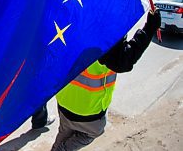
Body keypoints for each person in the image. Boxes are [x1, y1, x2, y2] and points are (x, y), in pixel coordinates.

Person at [51, 10, 161, 151]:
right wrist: (149, 28)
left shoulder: (68, 21)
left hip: (64, 101)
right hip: (88, 111)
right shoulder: (102, 26)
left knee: (64, 132)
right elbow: (122, 60)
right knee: (93, 132)